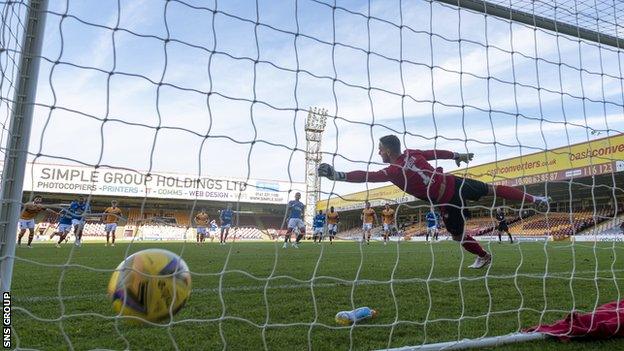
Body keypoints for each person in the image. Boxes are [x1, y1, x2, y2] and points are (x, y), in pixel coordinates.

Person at [318, 134, 550, 269]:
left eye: (380, 149)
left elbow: (364, 176)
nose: (379, 153)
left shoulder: (391, 170)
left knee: (460, 233)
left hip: (446, 197)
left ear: (387, 150)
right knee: (490, 191)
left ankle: (484, 256)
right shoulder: (411, 153)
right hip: (452, 185)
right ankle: (534, 200)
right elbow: (434, 152)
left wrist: (337, 175)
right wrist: (456, 155)